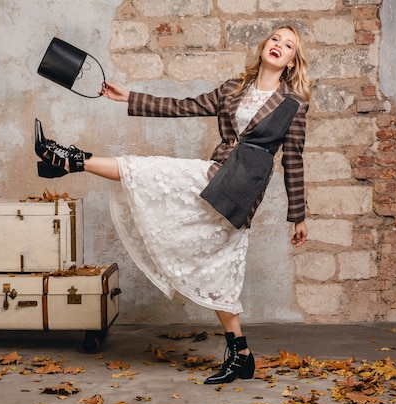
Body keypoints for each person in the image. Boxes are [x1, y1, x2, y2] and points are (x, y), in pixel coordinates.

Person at [34, 25, 311, 384]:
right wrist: (128, 96)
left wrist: (299, 217)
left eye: (288, 45)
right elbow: (183, 107)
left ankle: (69, 159)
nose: (279, 46)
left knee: (160, 180)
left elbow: (293, 159)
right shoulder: (233, 89)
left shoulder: (293, 104)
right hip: (217, 175)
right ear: (264, 46)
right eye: (275, 39)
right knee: (217, 270)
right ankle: (241, 355)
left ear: (291, 62)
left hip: (239, 192)